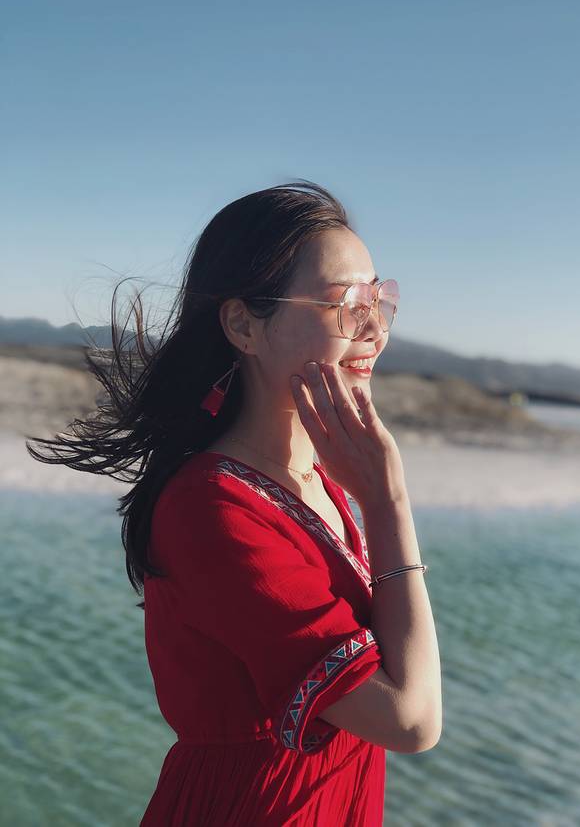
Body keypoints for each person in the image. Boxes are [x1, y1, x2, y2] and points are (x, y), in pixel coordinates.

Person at [25, 180, 442, 825]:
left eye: (378, 300)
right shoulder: (212, 510)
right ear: (244, 324)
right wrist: (388, 501)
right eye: (344, 303)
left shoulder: (323, 484)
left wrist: (374, 498)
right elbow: (411, 721)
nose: (374, 329)